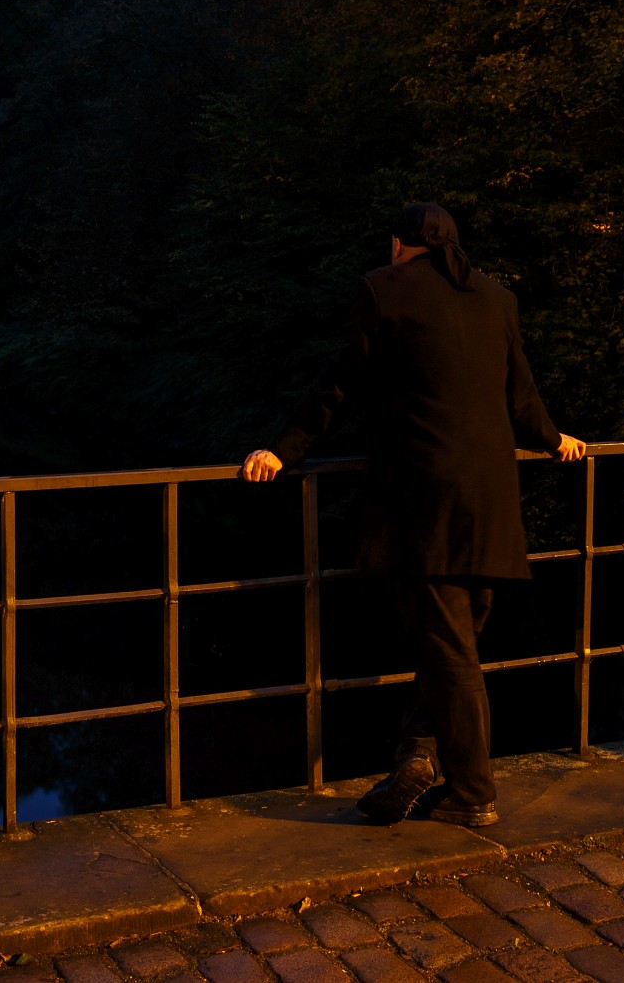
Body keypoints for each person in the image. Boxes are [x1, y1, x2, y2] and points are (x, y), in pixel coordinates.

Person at [240, 203, 585, 828]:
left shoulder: (382, 290)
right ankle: (420, 755)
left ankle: (473, 794)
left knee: (449, 651)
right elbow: (521, 392)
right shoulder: (497, 298)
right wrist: (553, 438)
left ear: (401, 244)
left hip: (426, 504)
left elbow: (336, 387)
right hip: (493, 504)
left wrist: (280, 450)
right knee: (455, 643)